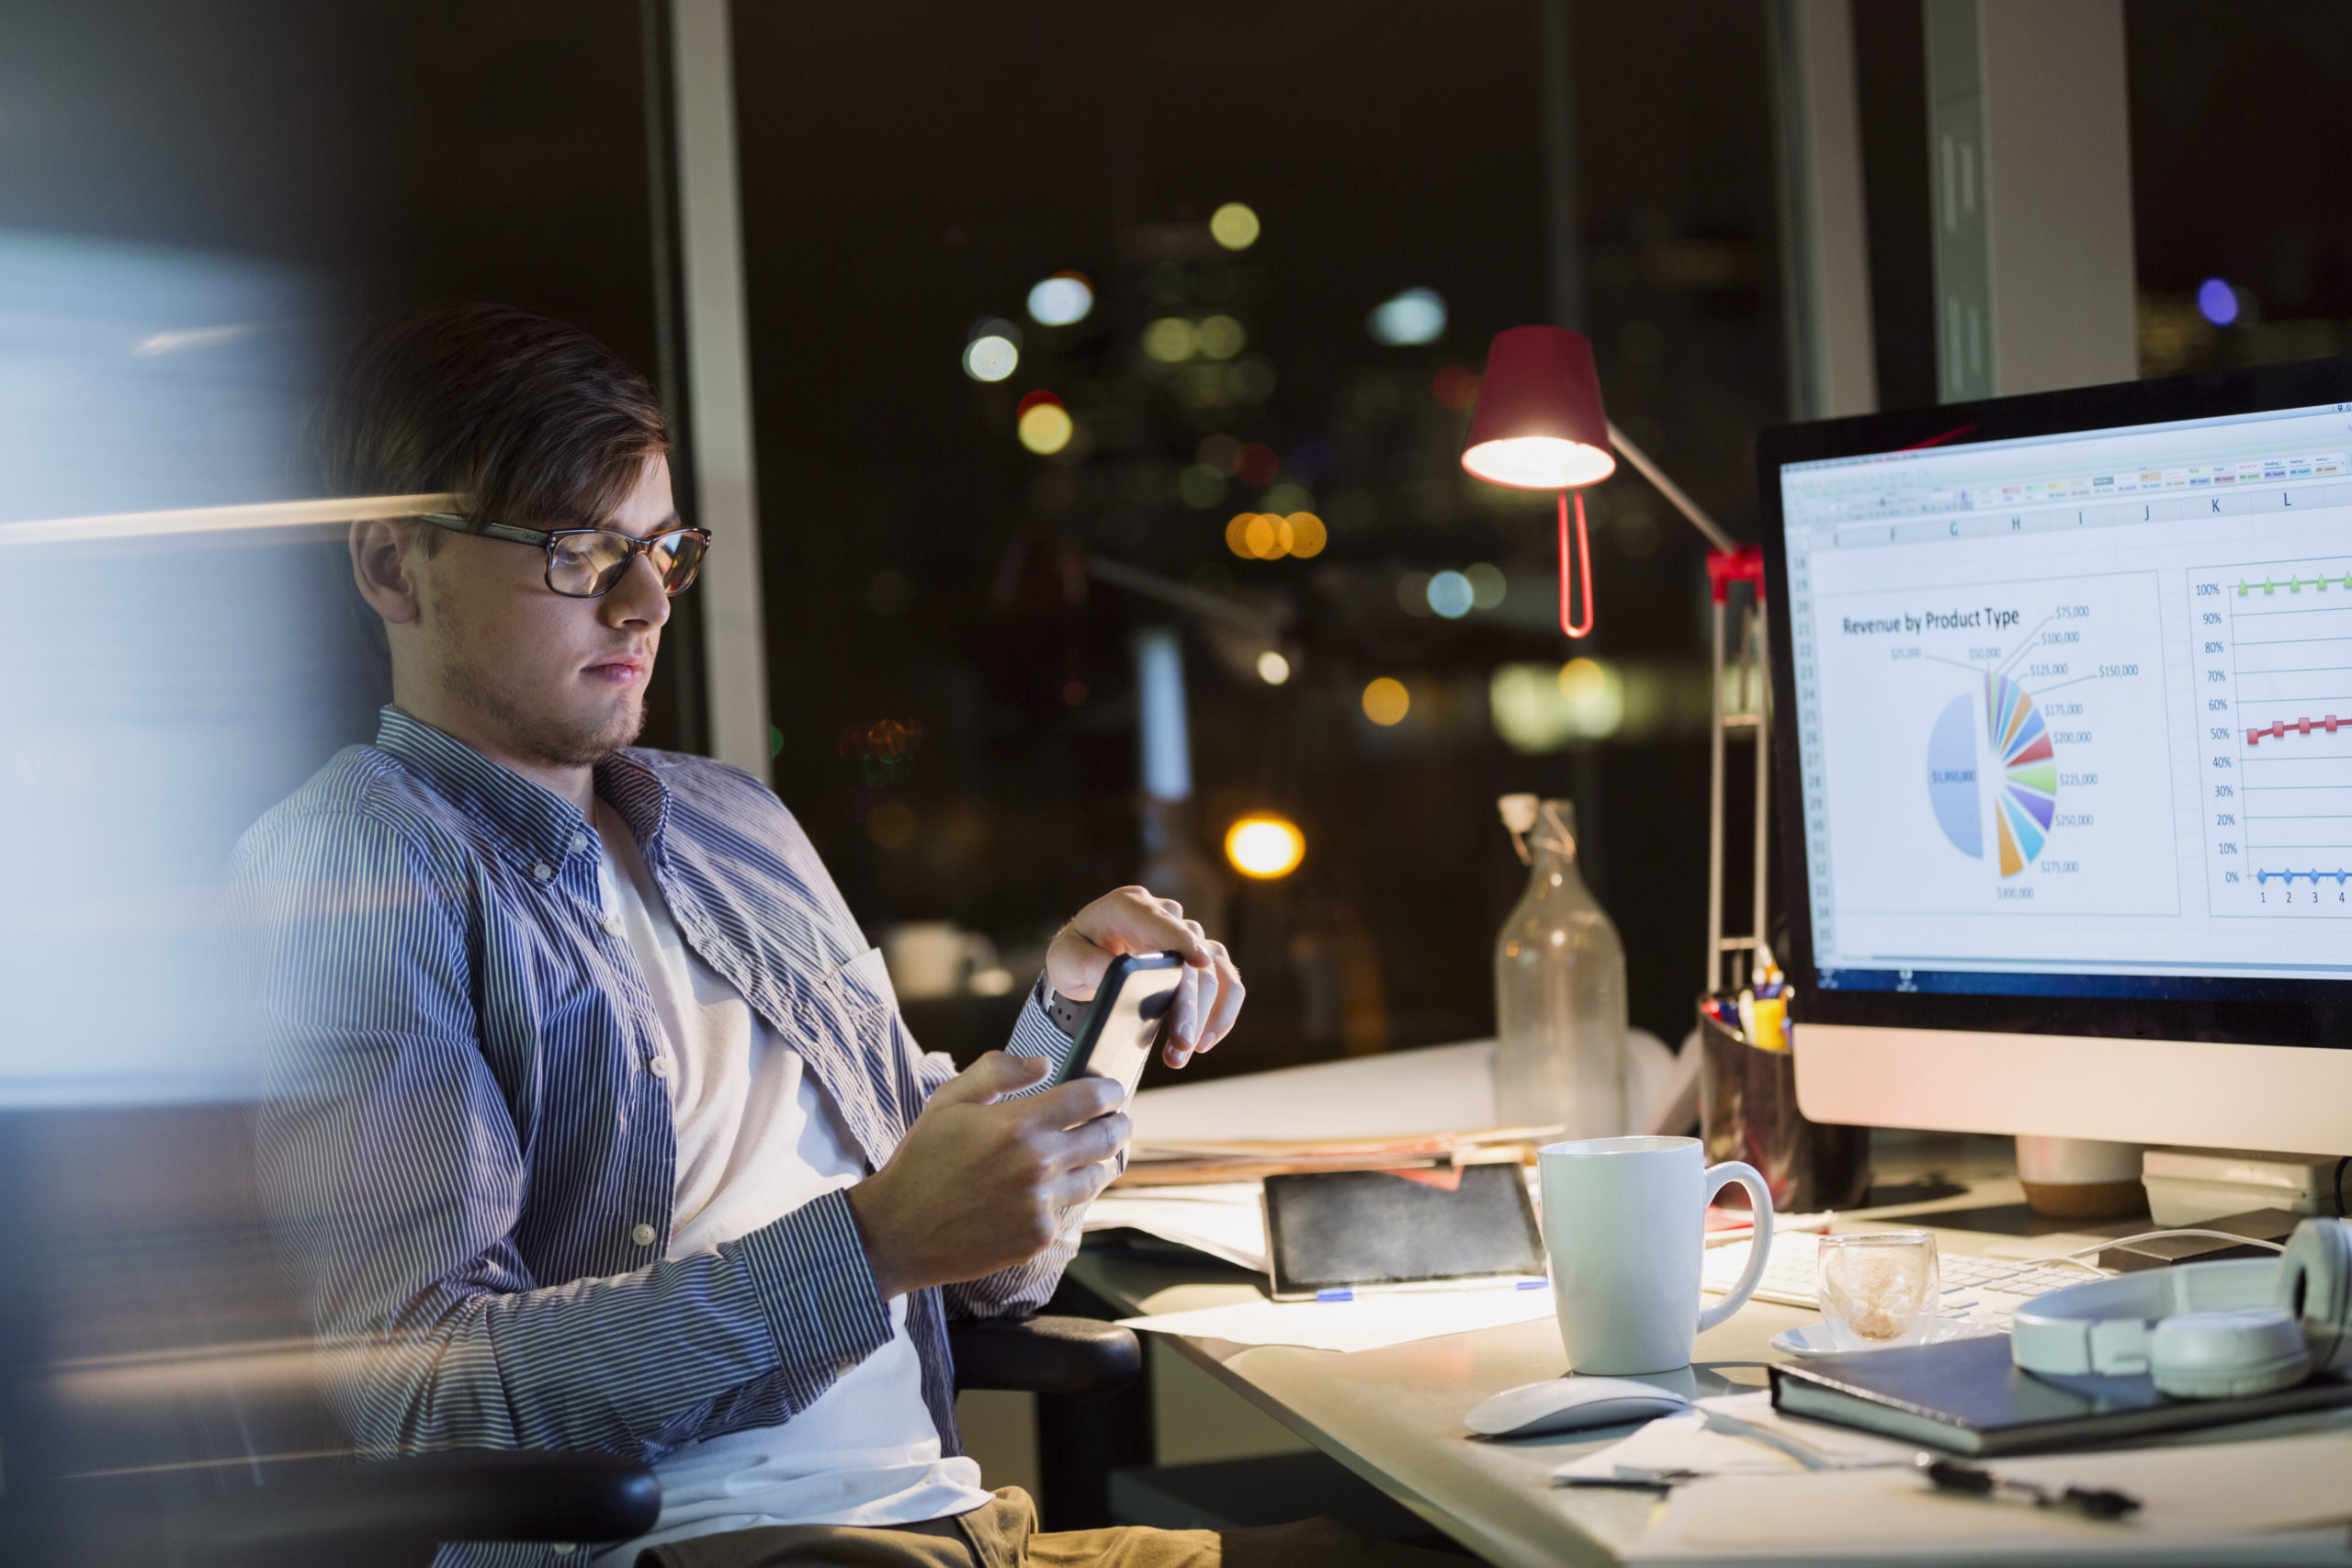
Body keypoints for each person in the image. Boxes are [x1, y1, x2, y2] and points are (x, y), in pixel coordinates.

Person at [236, 305, 1445, 1568]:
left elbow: (992, 1281)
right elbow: (424, 1404)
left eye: (661, 549)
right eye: (577, 552)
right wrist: (872, 1246)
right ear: (391, 569)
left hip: (961, 1531)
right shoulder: (359, 866)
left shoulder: (729, 821)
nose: (646, 602)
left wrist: (1072, 1030)